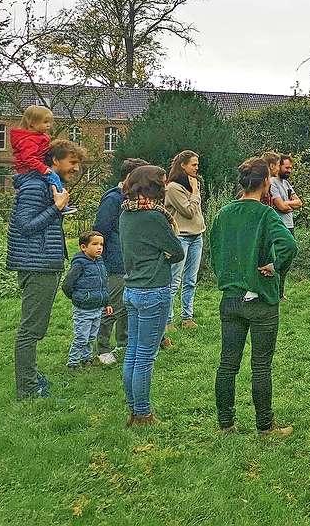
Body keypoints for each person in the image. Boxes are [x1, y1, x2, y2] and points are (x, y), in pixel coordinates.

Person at [211, 157, 298, 436]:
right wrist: (274, 267)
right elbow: (288, 245)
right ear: (266, 183)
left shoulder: (224, 213)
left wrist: (226, 274)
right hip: (261, 298)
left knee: (228, 362)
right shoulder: (265, 214)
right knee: (261, 364)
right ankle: (264, 425)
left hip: (231, 298)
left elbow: (214, 250)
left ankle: (225, 423)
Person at [9, 138, 85, 399]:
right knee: (31, 329)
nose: (76, 168)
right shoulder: (34, 185)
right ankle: (28, 388)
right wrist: (57, 208)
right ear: (55, 160)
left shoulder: (48, 184)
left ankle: (32, 379)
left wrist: (57, 209)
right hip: (37, 264)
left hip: (44, 261)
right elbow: (25, 225)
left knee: (36, 327)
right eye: (72, 162)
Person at [119, 165, 185, 426]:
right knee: (146, 356)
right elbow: (176, 251)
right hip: (154, 290)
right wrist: (163, 254)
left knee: (133, 353)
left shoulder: (125, 213)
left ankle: (134, 410)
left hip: (132, 289)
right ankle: (144, 413)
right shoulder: (155, 217)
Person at [94, 157, 149, 365]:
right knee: (112, 307)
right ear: (129, 177)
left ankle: (123, 341)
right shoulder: (113, 199)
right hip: (114, 262)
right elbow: (101, 229)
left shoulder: (133, 198)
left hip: (130, 261)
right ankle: (103, 347)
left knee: (127, 306)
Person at [164, 150, 206, 331]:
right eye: (193, 164)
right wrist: (195, 193)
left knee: (191, 280)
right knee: (175, 280)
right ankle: (167, 320)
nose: (197, 168)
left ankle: (187, 317)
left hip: (197, 235)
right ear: (183, 165)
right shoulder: (173, 187)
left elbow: (195, 210)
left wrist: (194, 191)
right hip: (181, 237)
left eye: (197, 164)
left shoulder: (192, 183)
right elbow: (188, 211)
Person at [10, 104, 75, 214]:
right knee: (54, 178)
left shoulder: (38, 136)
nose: (49, 125)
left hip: (34, 168)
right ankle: (62, 203)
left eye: (50, 122)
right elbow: (28, 158)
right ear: (32, 123)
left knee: (51, 181)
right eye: (45, 122)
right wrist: (43, 168)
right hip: (30, 170)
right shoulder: (29, 140)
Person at [62, 231, 112, 369]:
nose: (99, 247)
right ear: (83, 247)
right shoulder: (79, 264)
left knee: (91, 337)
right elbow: (67, 285)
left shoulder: (100, 263)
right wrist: (77, 298)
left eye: (101, 244)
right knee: (81, 338)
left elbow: (103, 285)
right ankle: (72, 363)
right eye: (95, 244)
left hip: (97, 308)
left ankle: (87, 358)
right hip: (83, 309)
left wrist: (106, 303)